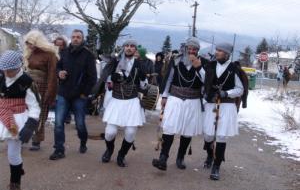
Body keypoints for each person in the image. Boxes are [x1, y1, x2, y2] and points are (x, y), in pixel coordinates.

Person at [152, 37, 205, 171]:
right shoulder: (176, 60)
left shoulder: (203, 63)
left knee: (187, 131)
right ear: (185, 48)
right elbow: (169, 78)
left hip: (193, 100)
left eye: (194, 49)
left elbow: (206, 81)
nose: (191, 51)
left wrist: (198, 67)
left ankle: (180, 157)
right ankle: (163, 157)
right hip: (175, 98)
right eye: (189, 48)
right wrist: (164, 95)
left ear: (198, 50)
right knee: (169, 128)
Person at [98, 39, 147, 167]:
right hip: (116, 100)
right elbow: (105, 78)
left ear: (135, 49)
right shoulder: (115, 61)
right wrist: (111, 79)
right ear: (124, 48)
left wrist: (143, 79)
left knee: (130, 133)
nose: (129, 48)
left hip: (132, 101)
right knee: (110, 132)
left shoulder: (140, 64)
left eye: (132, 46)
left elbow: (144, 86)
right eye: (127, 46)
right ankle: (109, 150)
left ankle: (121, 155)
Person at [49, 29, 97, 160]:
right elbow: (57, 67)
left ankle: (83, 141)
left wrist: (84, 94)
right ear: (71, 38)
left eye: (78, 37)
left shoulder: (88, 55)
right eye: (74, 37)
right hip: (64, 92)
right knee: (58, 123)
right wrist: (59, 73)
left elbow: (93, 78)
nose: (75, 39)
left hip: (79, 95)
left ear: (82, 39)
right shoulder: (64, 52)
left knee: (80, 124)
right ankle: (59, 149)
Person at [202, 42, 244, 180]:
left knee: (220, 136)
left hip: (226, 106)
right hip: (211, 104)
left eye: (219, 50)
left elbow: (240, 89)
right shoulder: (210, 66)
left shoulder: (234, 69)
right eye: (217, 50)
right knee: (208, 136)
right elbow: (204, 84)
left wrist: (227, 93)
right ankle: (209, 154)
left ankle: (216, 166)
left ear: (226, 54)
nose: (216, 52)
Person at [0, 50, 40, 190]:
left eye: (10, 70)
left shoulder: (26, 82)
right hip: (1, 114)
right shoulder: (1, 75)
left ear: (18, 67)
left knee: (12, 153)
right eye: (4, 70)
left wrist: (29, 127)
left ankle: (15, 182)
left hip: (16, 121)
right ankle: (18, 168)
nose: (6, 73)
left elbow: (35, 106)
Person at [23, 30, 59, 151]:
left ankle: (37, 140)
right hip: (27, 86)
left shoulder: (50, 54)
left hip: (41, 87)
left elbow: (52, 75)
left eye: (31, 42)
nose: (29, 45)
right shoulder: (29, 53)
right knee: (25, 112)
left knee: (40, 113)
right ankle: (22, 137)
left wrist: (50, 93)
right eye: (27, 43)